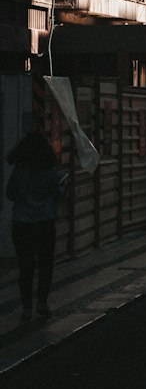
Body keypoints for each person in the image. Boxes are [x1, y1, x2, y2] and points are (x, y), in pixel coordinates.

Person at [5, 132, 67, 321]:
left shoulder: (20, 171)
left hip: (22, 223)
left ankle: (26, 307)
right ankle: (42, 302)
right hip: (44, 222)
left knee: (26, 266)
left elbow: (10, 194)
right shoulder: (50, 173)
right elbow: (57, 196)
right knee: (45, 263)